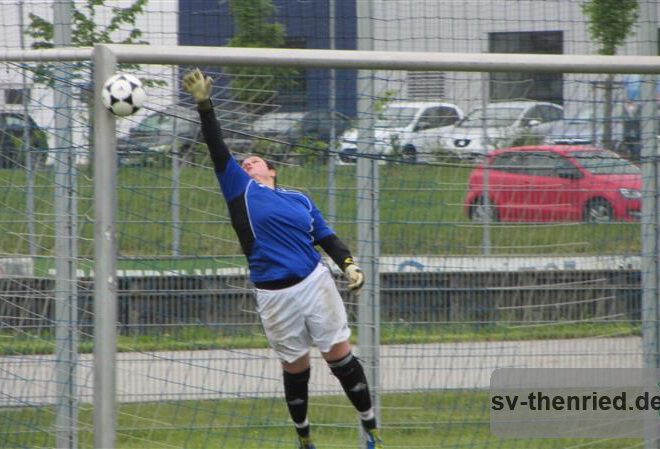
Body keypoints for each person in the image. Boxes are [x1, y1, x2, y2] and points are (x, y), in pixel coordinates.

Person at [183, 68, 383, 449]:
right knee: (296, 367)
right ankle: (305, 439)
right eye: (244, 162)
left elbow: (325, 236)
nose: (247, 163)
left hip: (314, 282)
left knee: (339, 356)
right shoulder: (238, 188)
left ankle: (370, 429)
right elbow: (217, 146)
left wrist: (349, 264)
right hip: (273, 294)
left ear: (272, 171)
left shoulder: (300, 200)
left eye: (255, 160)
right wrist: (205, 106)